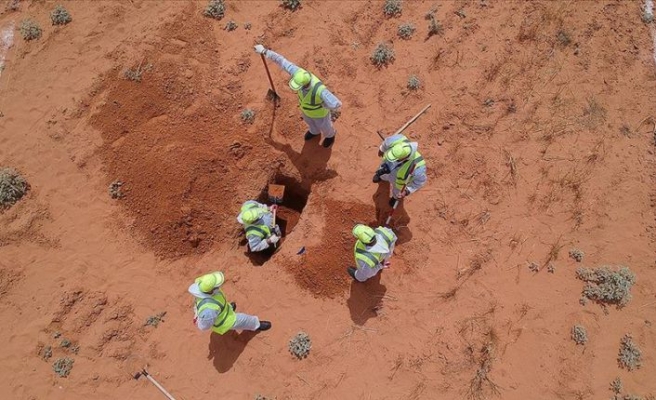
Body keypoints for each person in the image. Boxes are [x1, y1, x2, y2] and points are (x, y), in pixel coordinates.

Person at [253, 45, 342, 148]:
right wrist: (264, 51)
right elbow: (281, 61)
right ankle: (314, 132)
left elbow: (336, 103)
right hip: (306, 111)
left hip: (320, 115)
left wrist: (323, 105)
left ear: (305, 84)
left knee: (325, 127)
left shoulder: (320, 90)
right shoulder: (298, 73)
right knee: (310, 123)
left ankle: (330, 136)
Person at [188, 271, 271, 333]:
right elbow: (204, 326)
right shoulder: (209, 311)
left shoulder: (202, 291)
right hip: (225, 321)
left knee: (224, 307)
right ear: (211, 290)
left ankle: (228, 309)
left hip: (222, 310)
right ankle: (256, 325)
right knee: (245, 319)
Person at [372, 133, 427, 206]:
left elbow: (419, 182)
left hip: (398, 183)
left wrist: (406, 191)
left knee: (397, 192)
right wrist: (382, 149)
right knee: (382, 172)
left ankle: (394, 198)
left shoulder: (418, 168)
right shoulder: (398, 139)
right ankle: (379, 175)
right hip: (386, 169)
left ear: (404, 158)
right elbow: (386, 142)